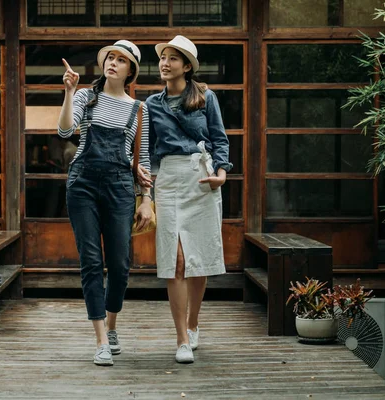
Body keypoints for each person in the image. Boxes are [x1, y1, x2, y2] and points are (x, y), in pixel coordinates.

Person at [58, 40, 153, 366]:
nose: (113, 63)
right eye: (110, 57)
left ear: (130, 71)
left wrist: (146, 200)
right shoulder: (86, 96)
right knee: (91, 262)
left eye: (121, 60)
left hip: (120, 188)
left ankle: (112, 326)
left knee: (121, 265)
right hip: (82, 185)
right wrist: (70, 93)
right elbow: (65, 130)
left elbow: (144, 158)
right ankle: (100, 340)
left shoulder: (140, 110)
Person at [144, 35, 233, 364]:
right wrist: (145, 189)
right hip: (168, 179)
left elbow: (219, 138)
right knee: (176, 258)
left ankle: (193, 325)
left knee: (199, 257)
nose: (164, 63)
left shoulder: (205, 97)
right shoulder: (152, 103)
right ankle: (181, 338)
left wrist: (222, 172)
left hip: (201, 177)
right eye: (162, 58)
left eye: (172, 58)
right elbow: (148, 151)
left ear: (186, 66)